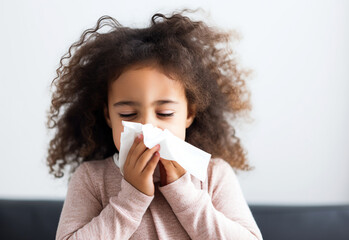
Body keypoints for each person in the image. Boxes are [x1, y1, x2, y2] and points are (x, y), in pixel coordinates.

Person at [47, 10, 263, 240]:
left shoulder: (213, 175)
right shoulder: (91, 179)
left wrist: (183, 192)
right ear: (108, 116)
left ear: (189, 113)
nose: (147, 125)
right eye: (128, 114)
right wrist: (131, 198)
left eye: (165, 113)